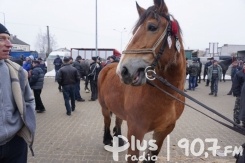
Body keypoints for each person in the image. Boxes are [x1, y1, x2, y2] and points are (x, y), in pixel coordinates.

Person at [0, 23, 36, 162]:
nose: (9, 44)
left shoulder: (17, 71)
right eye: (2, 39)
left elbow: (29, 100)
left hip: (15, 142)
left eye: (9, 39)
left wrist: (24, 127)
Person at [232, 62, 245, 128]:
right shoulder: (239, 74)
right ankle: (236, 123)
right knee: (237, 109)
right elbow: (235, 84)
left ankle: (244, 123)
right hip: (240, 94)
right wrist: (237, 94)